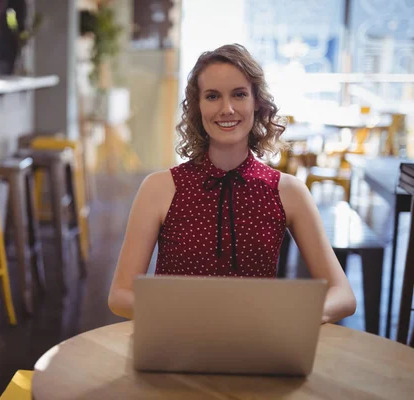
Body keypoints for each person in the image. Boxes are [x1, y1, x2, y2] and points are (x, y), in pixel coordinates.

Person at [108, 44, 356, 323]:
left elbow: (343, 294)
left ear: (256, 103)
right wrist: (197, 317)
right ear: (197, 107)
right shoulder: (159, 188)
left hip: (257, 344)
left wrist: (291, 317)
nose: (226, 109)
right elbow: (120, 294)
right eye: (212, 96)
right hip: (175, 342)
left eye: (239, 95)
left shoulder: (288, 192)